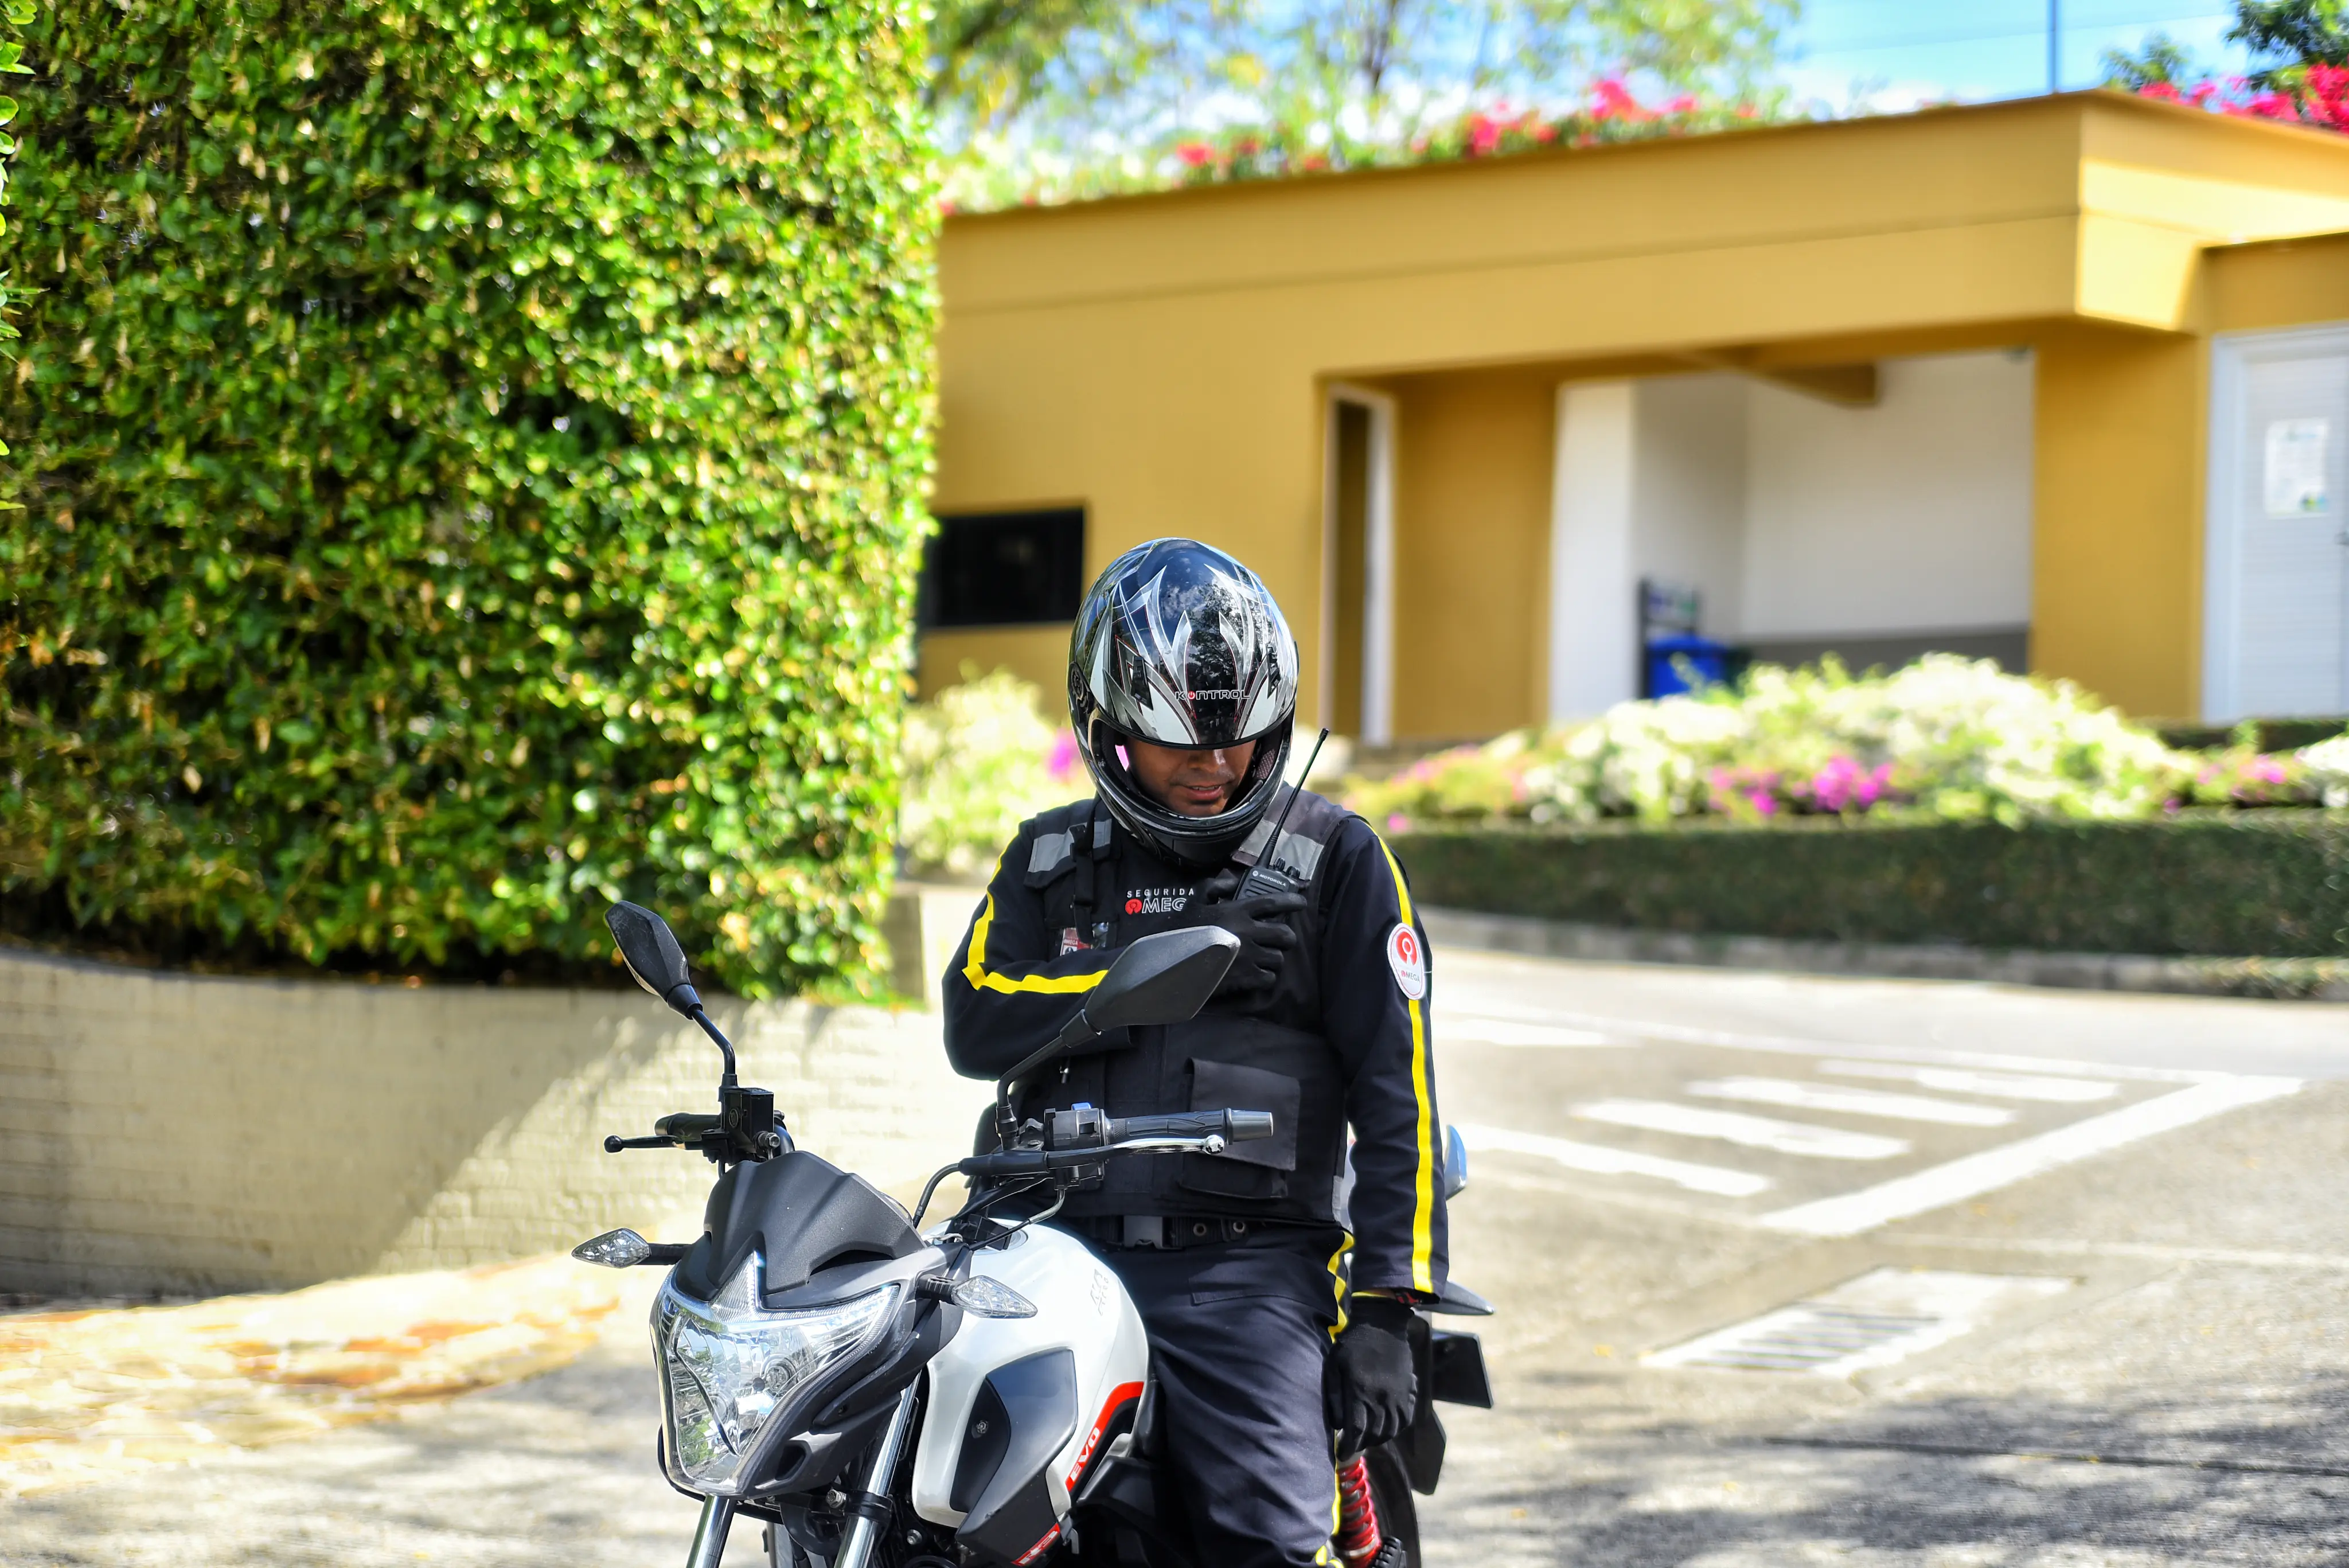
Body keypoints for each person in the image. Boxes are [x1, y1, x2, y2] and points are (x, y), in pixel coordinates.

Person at [942, 538, 1447, 1568]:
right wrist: (1148, 969)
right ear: (1109, 729)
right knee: (939, 1503)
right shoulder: (1049, 859)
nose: (1218, 769)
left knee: (1263, 1545)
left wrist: (1391, 1311)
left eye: (1245, 743)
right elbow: (975, 1020)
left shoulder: (1338, 860)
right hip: (1046, 1249)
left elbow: (1402, 1105)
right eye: (1182, 746)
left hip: (1244, 1270)